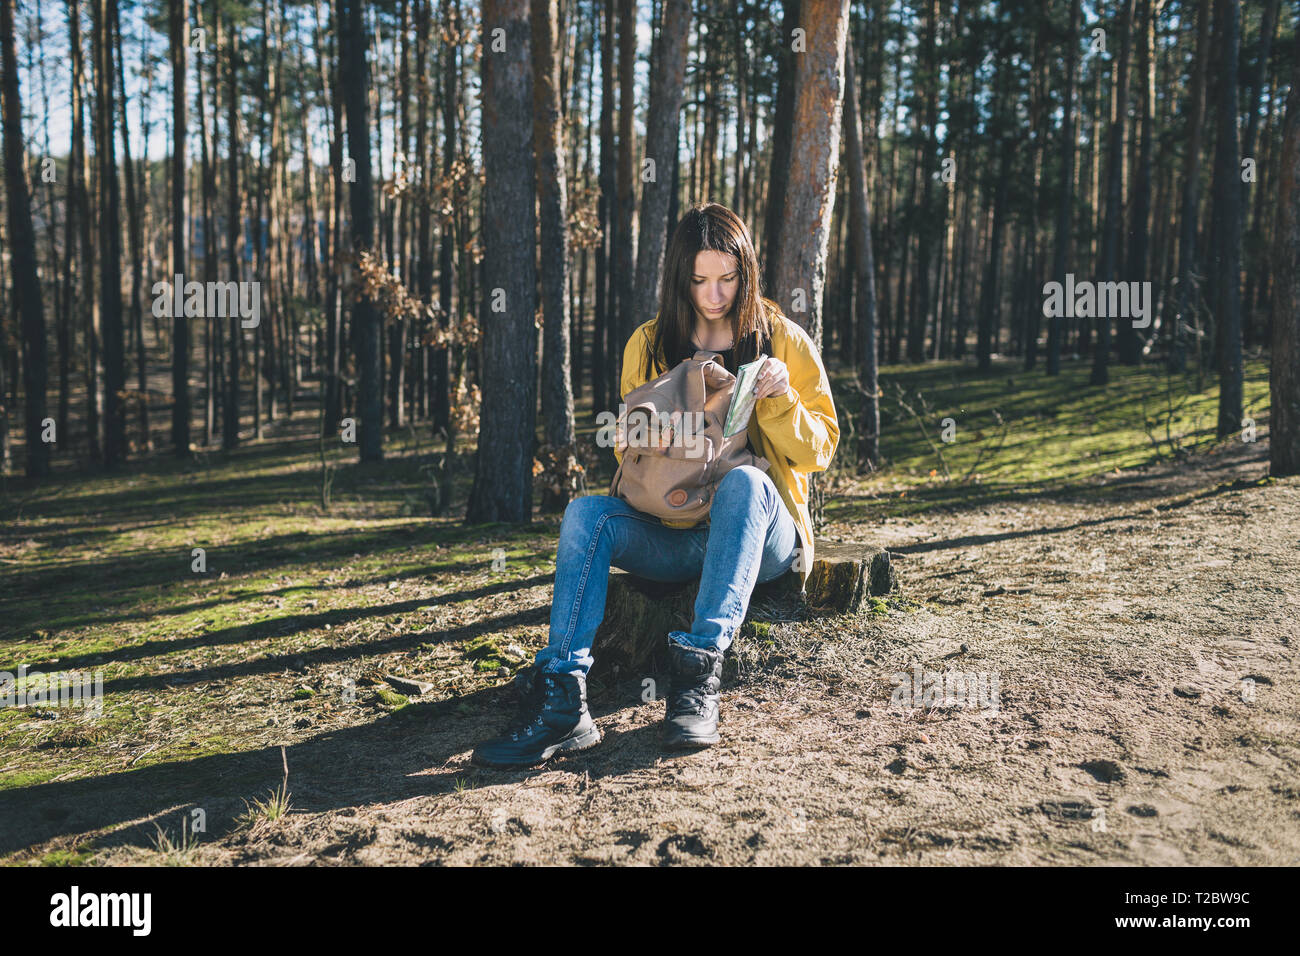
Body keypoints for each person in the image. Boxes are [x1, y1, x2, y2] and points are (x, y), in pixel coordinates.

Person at [472, 201, 839, 768]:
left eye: (727, 278)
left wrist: (782, 398)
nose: (713, 295)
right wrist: (668, 423)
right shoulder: (649, 342)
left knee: (744, 483)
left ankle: (697, 677)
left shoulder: (783, 340)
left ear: (746, 272)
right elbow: (628, 451)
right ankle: (564, 700)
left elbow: (819, 452)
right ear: (679, 277)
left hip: (756, 535)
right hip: (671, 531)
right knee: (584, 516)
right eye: (698, 280)